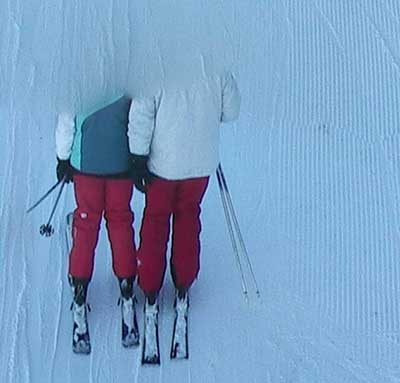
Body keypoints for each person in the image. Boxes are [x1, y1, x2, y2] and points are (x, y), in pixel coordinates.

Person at [128, 71, 240, 360]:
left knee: (155, 222)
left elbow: (141, 111)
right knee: (188, 218)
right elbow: (231, 111)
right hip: (200, 163)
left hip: (163, 165)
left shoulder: (157, 61)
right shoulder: (217, 63)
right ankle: (183, 283)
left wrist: (138, 156)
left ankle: (151, 287)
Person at [55, 95, 139, 353]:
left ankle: (79, 289)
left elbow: (67, 119)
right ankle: (126, 285)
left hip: (87, 166)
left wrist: (62, 158)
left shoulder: (81, 78)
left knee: (86, 224)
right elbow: (137, 119)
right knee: (120, 222)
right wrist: (139, 157)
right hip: (120, 166)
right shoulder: (130, 74)